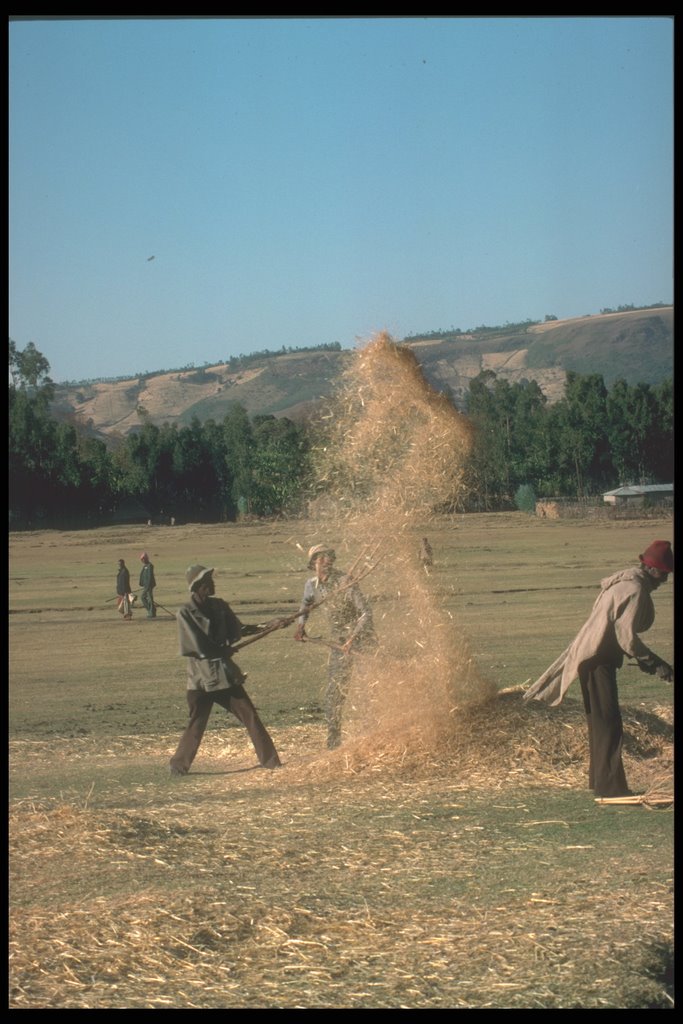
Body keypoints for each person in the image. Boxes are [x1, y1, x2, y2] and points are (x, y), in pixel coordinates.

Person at [524, 540, 674, 798]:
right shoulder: (635, 589)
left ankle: (600, 782)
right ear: (650, 569)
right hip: (598, 658)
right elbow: (626, 638)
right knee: (609, 722)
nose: (664, 580)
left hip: (591, 657)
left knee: (600, 721)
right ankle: (611, 788)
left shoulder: (622, 583)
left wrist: (647, 661)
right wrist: (655, 662)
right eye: (663, 573)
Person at [170, 565, 283, 776]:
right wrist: (222, 650)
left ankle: (271, 762)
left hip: (223, 676)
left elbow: (240, 629)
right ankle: (178, 766)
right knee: (197, 722)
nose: (212, 584)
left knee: (249, 716)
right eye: (208, 581)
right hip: (201, 679)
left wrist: (269, 625)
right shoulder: (185, 613)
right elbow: (197, 646)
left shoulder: (220, 606)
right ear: (198, 586)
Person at [294, 544, 376, 750]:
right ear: (313, 564)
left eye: (329, 558)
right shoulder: (311, 585)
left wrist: (353, 638)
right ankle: (333, 742)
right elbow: (305, 605)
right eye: (321, 559)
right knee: (335, 693)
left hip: (362, 641)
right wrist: (300, 626)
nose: (326, 562)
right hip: (339, 644)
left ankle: (372, 737)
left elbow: (366, 613)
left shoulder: (345, 581)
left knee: (368, 691)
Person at [139, 551, 157, 619]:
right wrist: (142, 583)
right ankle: (151, 610)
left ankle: (151, 612)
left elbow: (149, 577)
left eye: (143, 559)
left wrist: (147, 586)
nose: (142, 560)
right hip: (145, 586)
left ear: (146, 558)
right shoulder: (145, 566)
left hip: (149, 586)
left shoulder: (150, 566)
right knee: (145, 598)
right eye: (142, 559)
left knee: (149, 599)